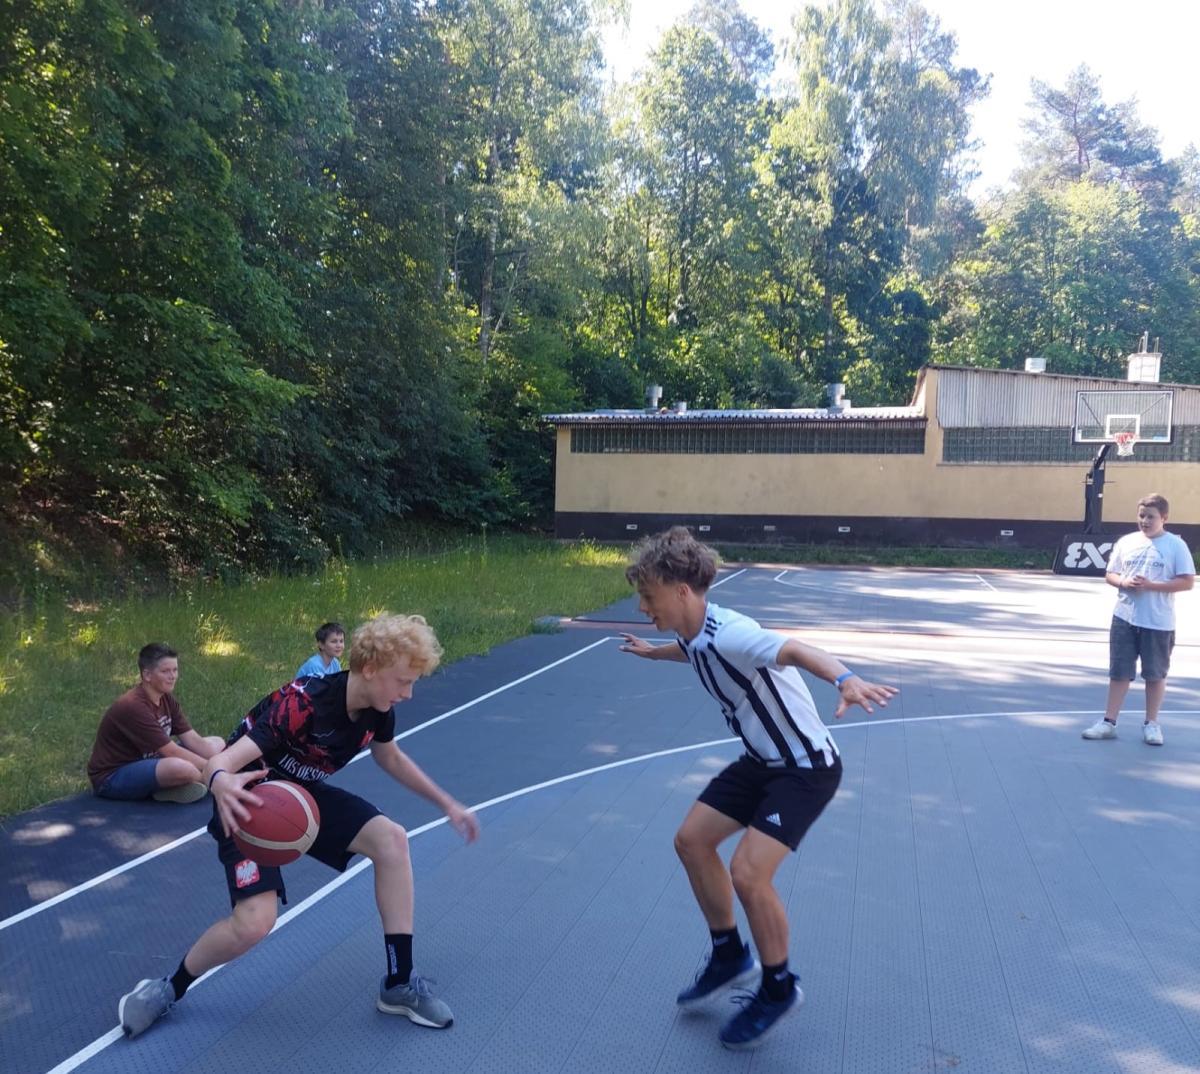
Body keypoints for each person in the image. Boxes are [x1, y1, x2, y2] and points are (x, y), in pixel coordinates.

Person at [117, 613, 480, 1039]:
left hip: (299, 796)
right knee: (254, 923)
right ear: (370, 668)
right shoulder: (303, 703)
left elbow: (391, 757)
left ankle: (399, 985)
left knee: (392, 840)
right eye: (403, 682)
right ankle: (168, 988)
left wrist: (446, 803)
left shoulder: (378, 709)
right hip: (247, 798)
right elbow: (220, 762)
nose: (408, 693)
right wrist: (220, 783)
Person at [618, 528, 896, 1050]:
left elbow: (796, 649)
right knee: (691, 841)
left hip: (805, 769)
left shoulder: (734, 633)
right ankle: (729, 955)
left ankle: (778, 987)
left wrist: (846, 680)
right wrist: (653, 653)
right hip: (761, 762)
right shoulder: (693, 630)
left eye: (649, 596)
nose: (642, 606)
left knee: (748, 873)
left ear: (682, 591)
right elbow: (691, 651)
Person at [1082, 493, 1195, 746]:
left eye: (1151, 517)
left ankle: (1151, 724)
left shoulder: (1175, 545)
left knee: (1155, 674)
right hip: (1124, 617)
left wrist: (1151, 585)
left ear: (1164, 518)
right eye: (1141, 516)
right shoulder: (1127, 542)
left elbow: (1187, 582)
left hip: (1158, 622)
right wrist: (1124, 582)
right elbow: (1111, 574)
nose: (1145, 521)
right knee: (1119, 671)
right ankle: (1108, 722)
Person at [87, 643, 225, 804]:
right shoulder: (133, 706)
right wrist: (217, 772)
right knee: (181, 767)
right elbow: (171, 752)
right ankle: (210, 782)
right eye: (165, 671)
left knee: (216, 743)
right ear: (147, 675)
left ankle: (170, 787)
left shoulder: (165, 698)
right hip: (112, 776)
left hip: (150, 759)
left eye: (175, 670)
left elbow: (192, 739)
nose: (173, 676)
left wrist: (217, 762)